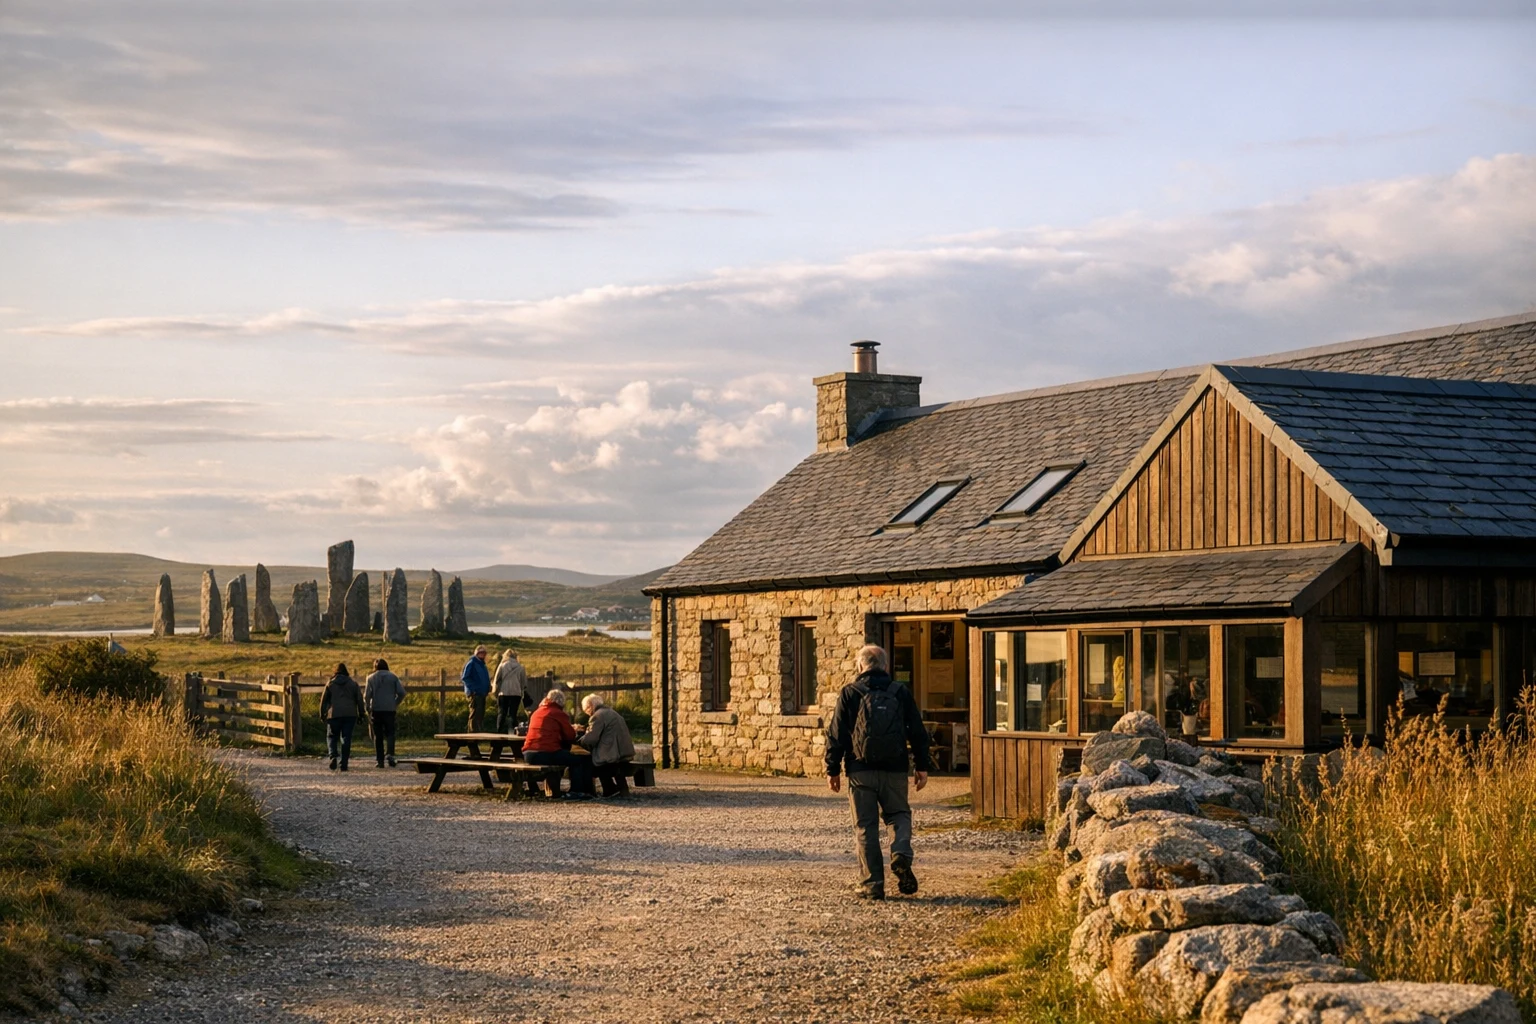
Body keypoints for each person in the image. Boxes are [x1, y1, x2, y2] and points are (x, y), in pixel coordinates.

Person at [824, 644, 931, 900]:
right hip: (895, 769)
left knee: (865, 826)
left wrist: (832, 769)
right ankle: (901, 853)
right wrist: (922, 765)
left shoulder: (850, 692)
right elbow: (917, 730)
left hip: (861, 771)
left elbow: (836, 734)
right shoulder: (900, 691)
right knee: (899, 815)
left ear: (860, 666)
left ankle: (872, 885)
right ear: (885, 666)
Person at [521, 688, 593, 799]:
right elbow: (570, 736)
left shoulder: (537, 712)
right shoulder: (558, 713)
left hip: (528, 754)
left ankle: (555, 790)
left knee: (563, 756)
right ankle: (577, 791)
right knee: (578, 760)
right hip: (545, 753)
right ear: (561, 702)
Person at [578, 693, 636, 798]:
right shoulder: (612, 713)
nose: (587, 714)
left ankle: (602, 790)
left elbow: (591, 738)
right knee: (604, 762)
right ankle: (616, 789)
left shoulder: (597, 716)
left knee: (588, 763)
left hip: (612, 755)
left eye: (586, 710)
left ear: (590, 706)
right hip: (622, 752)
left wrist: (578, 741)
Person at [320, 662, 364, 772]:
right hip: (350, 714)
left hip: (334, 714)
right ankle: (344, 763)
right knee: (346, 738)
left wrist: (322, 713)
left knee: (332, 736)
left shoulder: (330, 683)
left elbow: (323, 700)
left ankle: (333, 756)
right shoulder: (353, 684)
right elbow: (359, 699)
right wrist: (361, 714)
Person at [364, 657, 406, 768]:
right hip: (390, 709)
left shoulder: (371, 678)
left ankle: (380, 760)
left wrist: (368, 707)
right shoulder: (393, 677)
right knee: (390, 733)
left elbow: (367, 695)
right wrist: (395, 703)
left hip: (376, 709)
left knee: (378, 735)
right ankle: (391, 755)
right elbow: (402, 693)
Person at [494, 648, 529, 734]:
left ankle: (499, 732)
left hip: (503, 693)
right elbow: (524, 682)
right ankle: (514, 732)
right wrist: (521, 690)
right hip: (516, 693)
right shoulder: (520, 667)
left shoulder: (502, 665)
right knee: (513, 714)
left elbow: (496, 680)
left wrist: (495, 691)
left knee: (502, 713)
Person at [460, 644, 491, 732]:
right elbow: (465, 677)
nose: (482, 654)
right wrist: (473, 689)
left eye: (484, 652)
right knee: (474, 714)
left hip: (482, 693)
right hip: (475, 693)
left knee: (480, 715)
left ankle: (477, 734)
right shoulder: (472, 663)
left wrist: (488, 687)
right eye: (480, 652)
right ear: (476, 653)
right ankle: (472, 736)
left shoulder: (482, 665)